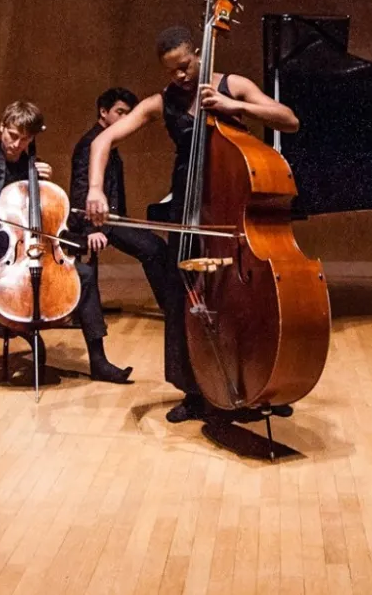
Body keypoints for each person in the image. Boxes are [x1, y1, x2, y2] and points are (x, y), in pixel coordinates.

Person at [82, 26, 300, 422]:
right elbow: (103, 141)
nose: (180, 76)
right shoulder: (160, 102)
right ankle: (195, 391)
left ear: (199, 53)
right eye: (171, 71)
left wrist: (236, 107)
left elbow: (288, 120)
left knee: (242, 300)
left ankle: (256, 384)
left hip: (232, 204)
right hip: (188, 207)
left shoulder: (233, 85)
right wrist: (96, 189)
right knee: (185, 299)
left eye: (184, 66)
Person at [0, 101, 129, 404]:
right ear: (2, 126)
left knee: (86, 276)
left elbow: (48, 220)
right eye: (12, 135)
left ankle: (99, 361)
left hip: (31, 251)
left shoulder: (33, 168)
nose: (16, 144)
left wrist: (39, 183)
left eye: (25, 139)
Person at [70, 87, 192, 400]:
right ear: (103, 112)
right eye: (120, 113)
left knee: (155, 248)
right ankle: (101, 358)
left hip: (111, 222)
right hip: (93, 226)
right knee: (140, 254)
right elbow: (82, 189)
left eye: (128, 113)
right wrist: (88, 229)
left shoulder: (112, 143)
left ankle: (175, 309)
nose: (125, 119)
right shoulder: (91, 145)